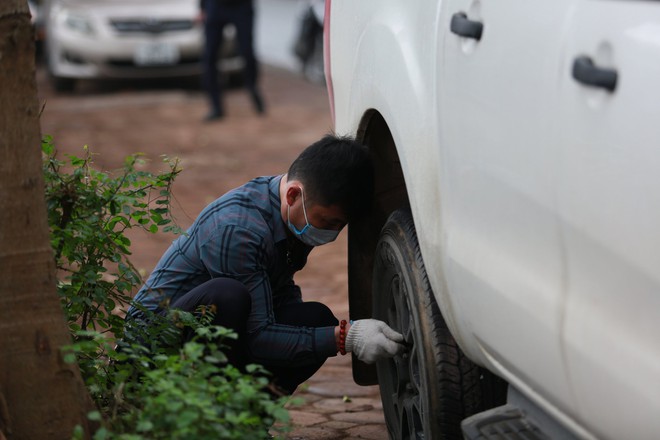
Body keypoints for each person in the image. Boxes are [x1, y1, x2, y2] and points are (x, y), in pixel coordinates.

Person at [127, 134, 405, 394]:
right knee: (228, 296)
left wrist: (328, 333)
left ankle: (244, 421)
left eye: (338, 226)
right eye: (326, 222)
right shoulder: (238, 229)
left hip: (224, 329)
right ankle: (210, 415)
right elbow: (257, 337)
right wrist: (346, 337)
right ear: (293, 195)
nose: (329, 234)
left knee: (315, 319)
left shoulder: (294, 215)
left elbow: (277, 298)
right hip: (151, 348)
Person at [199, 0, 265, 121]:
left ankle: (253, 87)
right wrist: (202, 7)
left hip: (241, 6)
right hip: (215, 6)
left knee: (247, 52)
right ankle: (216, 106)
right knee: (209, 56)